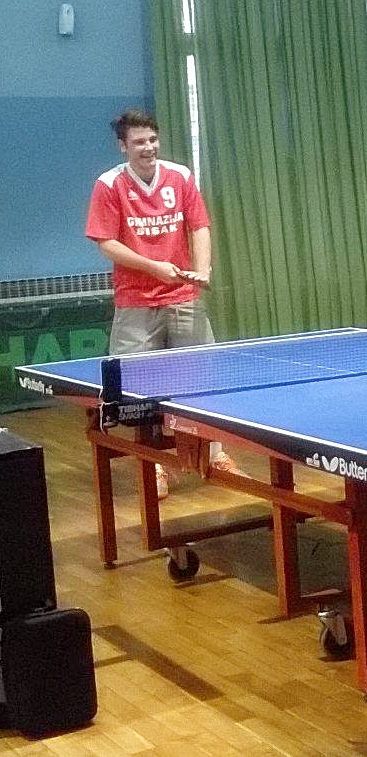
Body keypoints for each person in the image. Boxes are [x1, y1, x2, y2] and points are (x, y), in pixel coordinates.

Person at [86, 108, 245, 499]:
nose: (148, 147)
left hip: (183, 298)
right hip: (136, 302)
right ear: (123, 146)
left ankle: (215, 454)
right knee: (139, 391)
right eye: (139, 142)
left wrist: (202, 270)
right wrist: (154, 268)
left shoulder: (180, 176)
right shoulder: (109, 185)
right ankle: (155, 465)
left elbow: (199, 225)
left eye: (153, 139)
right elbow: (106, 242)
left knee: (200, 383)